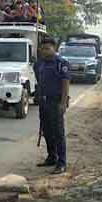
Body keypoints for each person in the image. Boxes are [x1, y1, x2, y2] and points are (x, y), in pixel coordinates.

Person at [35, 37, 70, 174]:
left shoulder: (61, 63)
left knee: (58, 133)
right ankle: (52, 157)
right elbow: (39, 80)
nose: (44, 51)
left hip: (56, 102)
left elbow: (65, 83)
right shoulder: (39, 64)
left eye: (47, 48)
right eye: (42, 49)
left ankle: (62, 163)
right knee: (47, 131)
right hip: (43, 102)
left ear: (54, 49)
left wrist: (63, 102)